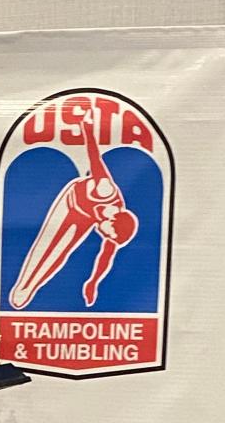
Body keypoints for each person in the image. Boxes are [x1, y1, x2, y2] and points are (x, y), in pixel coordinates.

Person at [8, 100, 138, 310]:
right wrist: (86, 127)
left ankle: (30, 288)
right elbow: (94, 157)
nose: (105, 237)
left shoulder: (114, 230)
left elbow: (106, 256)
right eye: (108, 234)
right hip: (72, 202)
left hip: (86, 216)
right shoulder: (105, 189)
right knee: (45, 245)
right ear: (113, 220)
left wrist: (92, 283)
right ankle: (24, 283)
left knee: (61, 251)